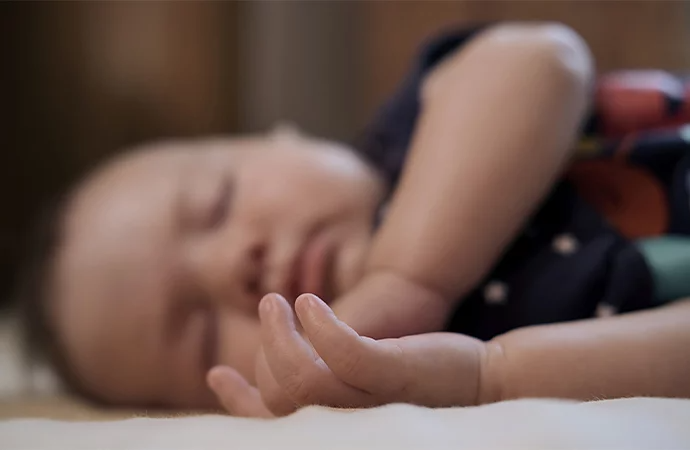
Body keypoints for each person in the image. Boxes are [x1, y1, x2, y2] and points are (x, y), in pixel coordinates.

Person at [17, 22, 690, 417]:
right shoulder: (415, 382)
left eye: (217, 205)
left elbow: (542, 57)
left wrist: (408, 278)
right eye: (197, 333)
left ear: (283, 138)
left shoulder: (416, 136)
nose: (233, 265)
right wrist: (491, 377)